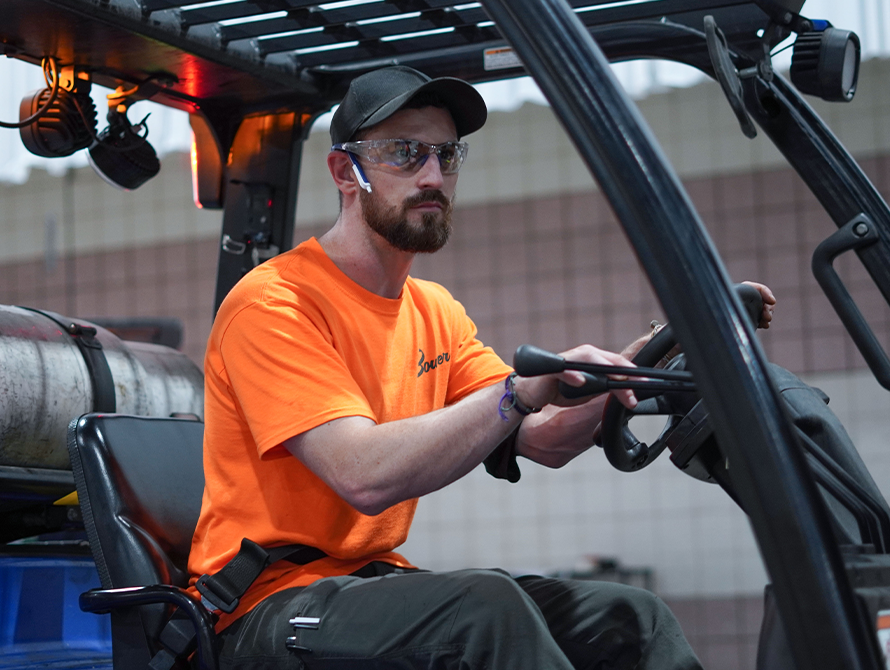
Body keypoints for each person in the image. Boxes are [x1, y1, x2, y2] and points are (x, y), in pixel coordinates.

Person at [188, 65, 775, 669]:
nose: (433, 176)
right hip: (266, 609)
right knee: (487, 609)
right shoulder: (275, 302)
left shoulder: (434, 309)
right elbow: (362, 474)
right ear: (346, 172)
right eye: (405, 153)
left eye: (446, 155)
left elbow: (540, 438)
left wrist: (649, 361)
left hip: (370, 585)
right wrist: (519, 392)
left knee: (631, 617)